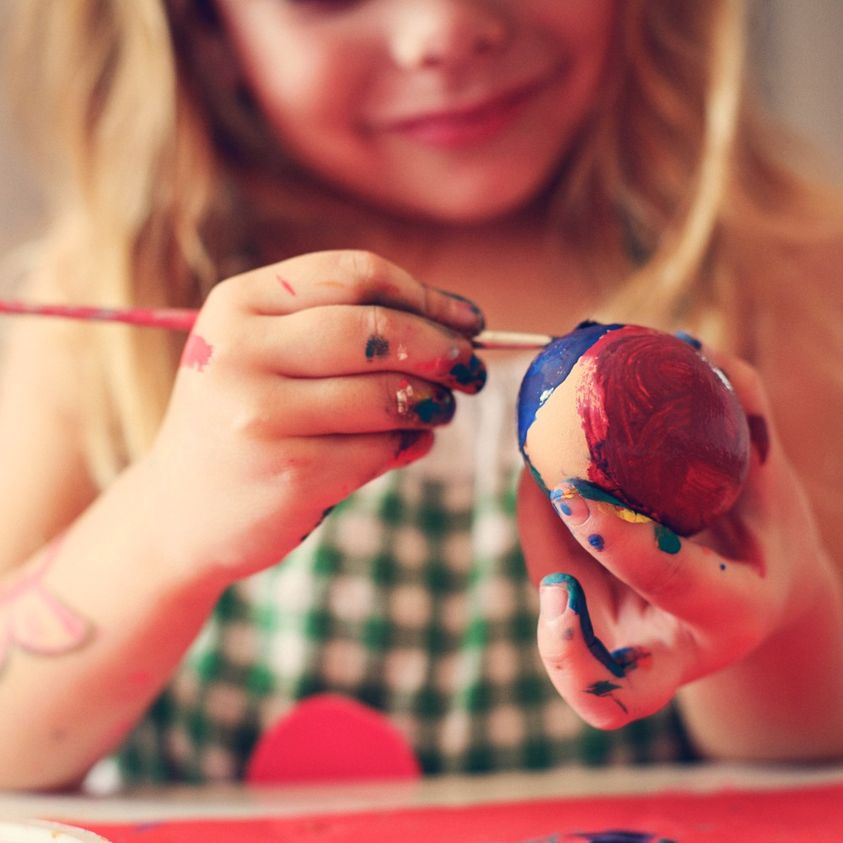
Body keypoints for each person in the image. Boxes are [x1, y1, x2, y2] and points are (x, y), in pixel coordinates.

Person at [1, 0, 842, 791]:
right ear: (206, 31)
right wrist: (165, 524)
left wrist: (766, 620)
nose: (441, 30)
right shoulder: (109, 301)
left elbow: (813, 760)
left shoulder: (778, 278)